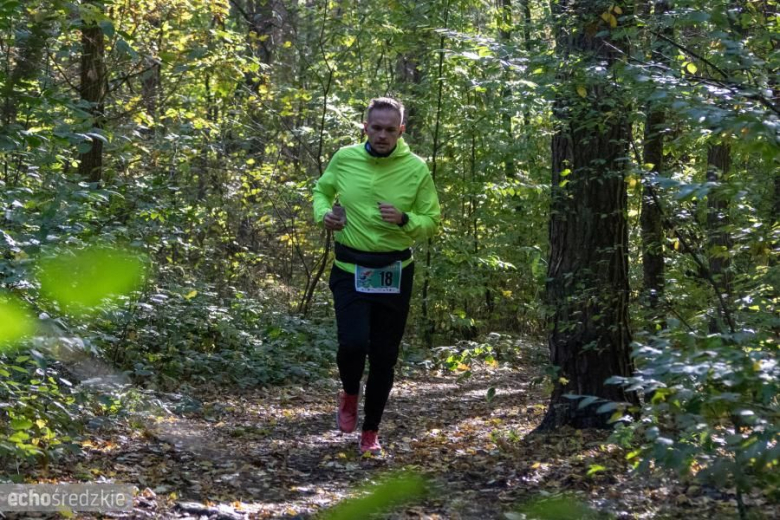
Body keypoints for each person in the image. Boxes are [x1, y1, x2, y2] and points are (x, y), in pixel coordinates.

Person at [312, 97, 440, 455]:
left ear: (401, 131)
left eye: (390, 129)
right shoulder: (345, 157)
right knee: (352, 344)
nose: (382, 135)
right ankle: (350, 390)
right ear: (364, 128)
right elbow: (322, 190)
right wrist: (325, 214)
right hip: (350, 269)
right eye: (376, 128)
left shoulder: (416, 169)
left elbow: (432, 220)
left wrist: (405, 219)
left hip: (394, 273)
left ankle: (371, 431)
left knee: (384, 355)